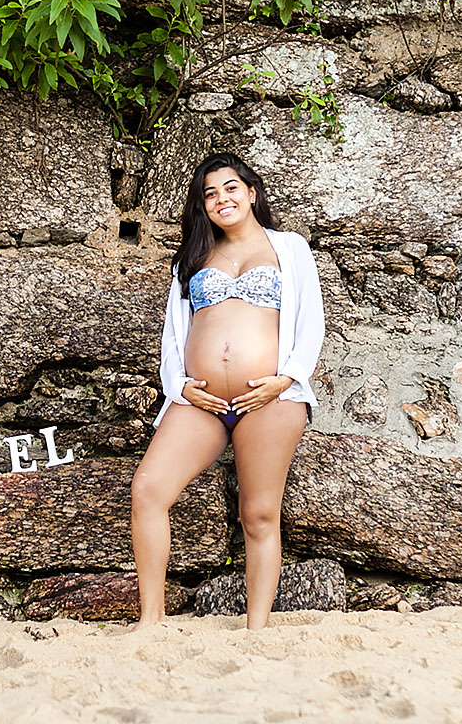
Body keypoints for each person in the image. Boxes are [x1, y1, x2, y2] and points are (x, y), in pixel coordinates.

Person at [132, 152, 324, 630]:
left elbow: (311, 320)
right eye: (210, 194)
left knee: (258, 514)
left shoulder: (289, 248)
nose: (222, 199)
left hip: (271, 399)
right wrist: (179, 386)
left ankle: (255, 630)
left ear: (252, 193)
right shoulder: (194, 258)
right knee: (149, 490)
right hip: (201, 402)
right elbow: (175, 335)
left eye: (231, 188)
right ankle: (150, 621)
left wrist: (288, 377)